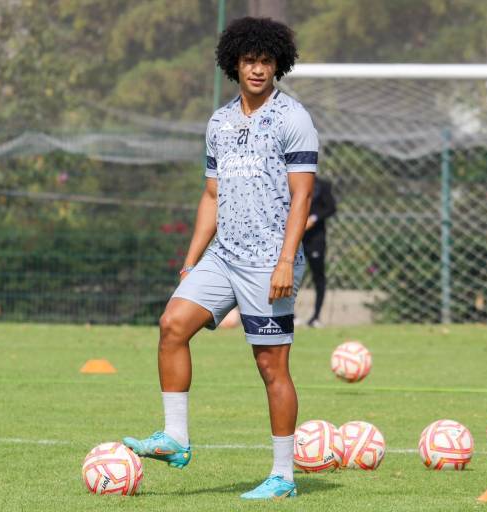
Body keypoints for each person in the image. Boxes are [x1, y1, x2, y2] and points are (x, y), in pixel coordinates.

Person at [123, 17, 318, 500]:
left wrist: (285, 262)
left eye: (266, 61)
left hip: (269, 262)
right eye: (250, 60)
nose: (257, 69)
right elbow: (211, 195)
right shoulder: (220, 122)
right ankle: (175, 437)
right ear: (234, 63)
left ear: (278, 65)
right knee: (172, 324)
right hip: (223, 256)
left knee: (271, 367)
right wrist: (191, 261)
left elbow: (302, 197)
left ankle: (282, 476)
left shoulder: (293, 118)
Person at [302, 177, 336, 327]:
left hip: (316, 239)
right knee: (290, 276)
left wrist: (313, 219)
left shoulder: (322, 185)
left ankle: (316, 316)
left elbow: (331, 207)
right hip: (295, 239)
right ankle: (290, 315)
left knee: (318, 276)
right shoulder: (290, 183)